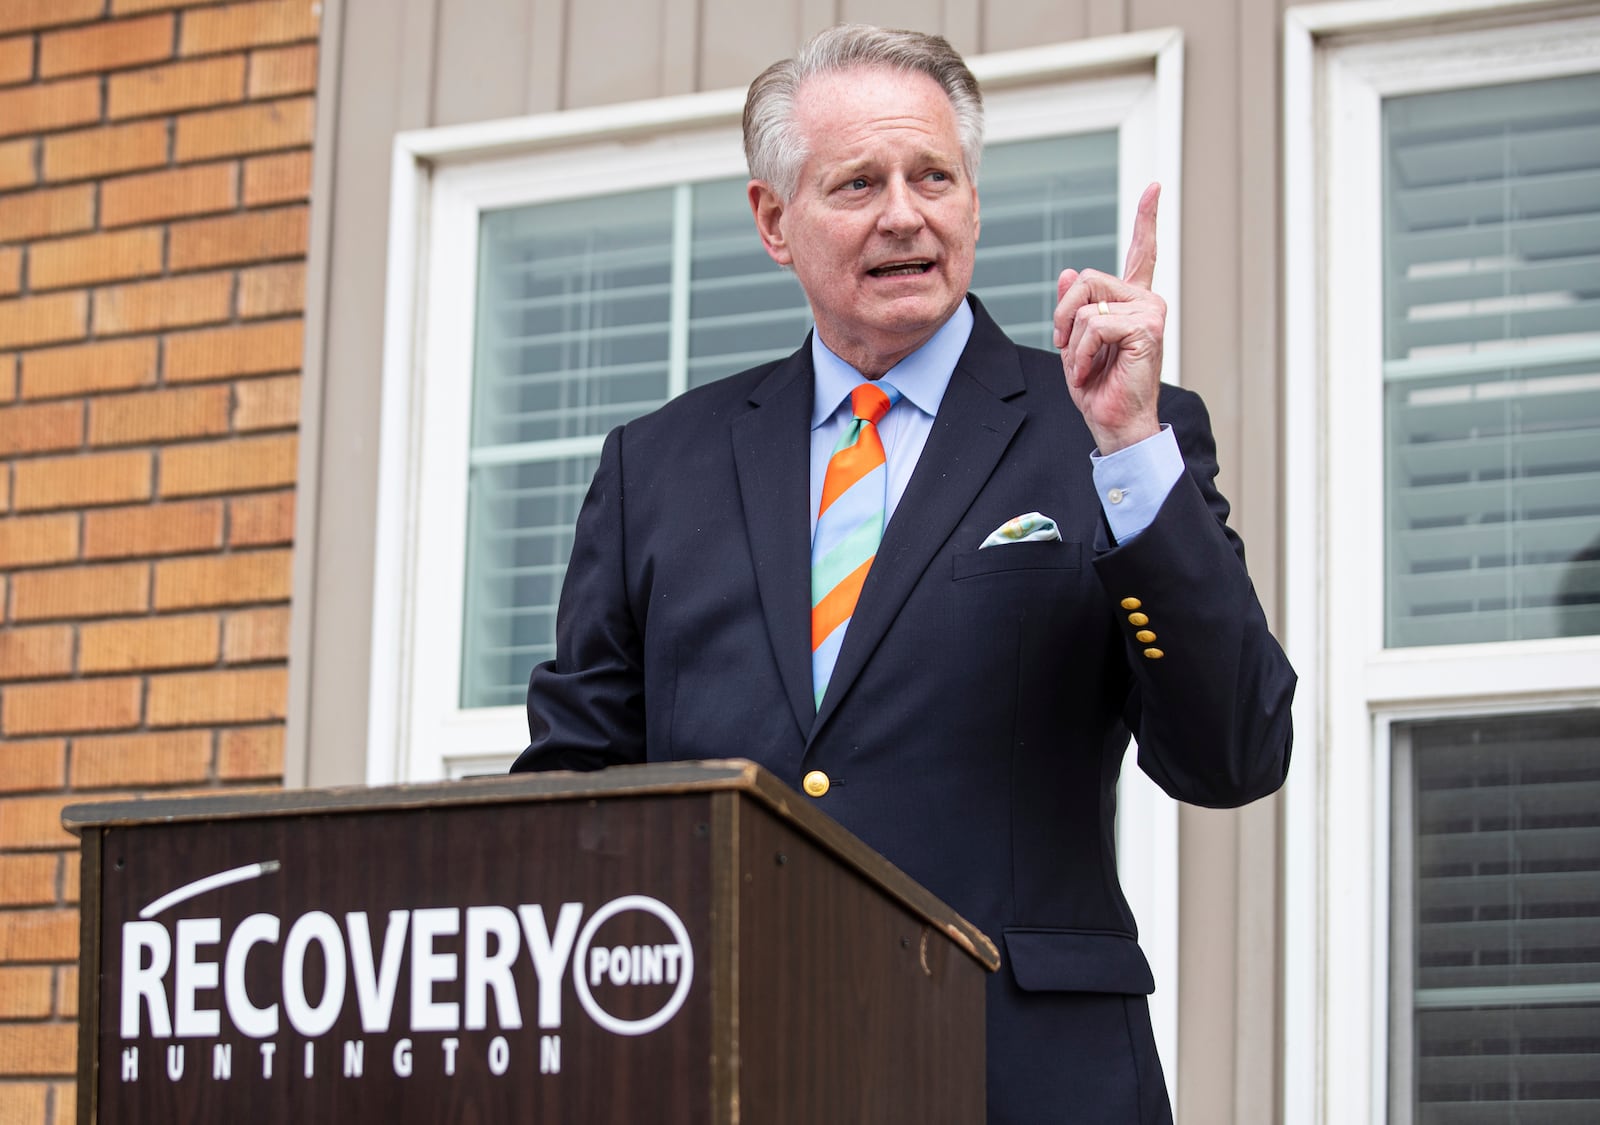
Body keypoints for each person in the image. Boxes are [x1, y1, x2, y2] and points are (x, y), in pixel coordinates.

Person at [513, 24, 1295, 1124]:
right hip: (729, 1074)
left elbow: (1236, 753)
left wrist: (1129, 453)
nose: (903, 214)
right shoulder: (659, 466)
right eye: (857, 182)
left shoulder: (1106, 432)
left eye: (935, 176)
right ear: (773, 221)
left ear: (972, 200)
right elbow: (571, 792)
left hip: (1022, 1078)